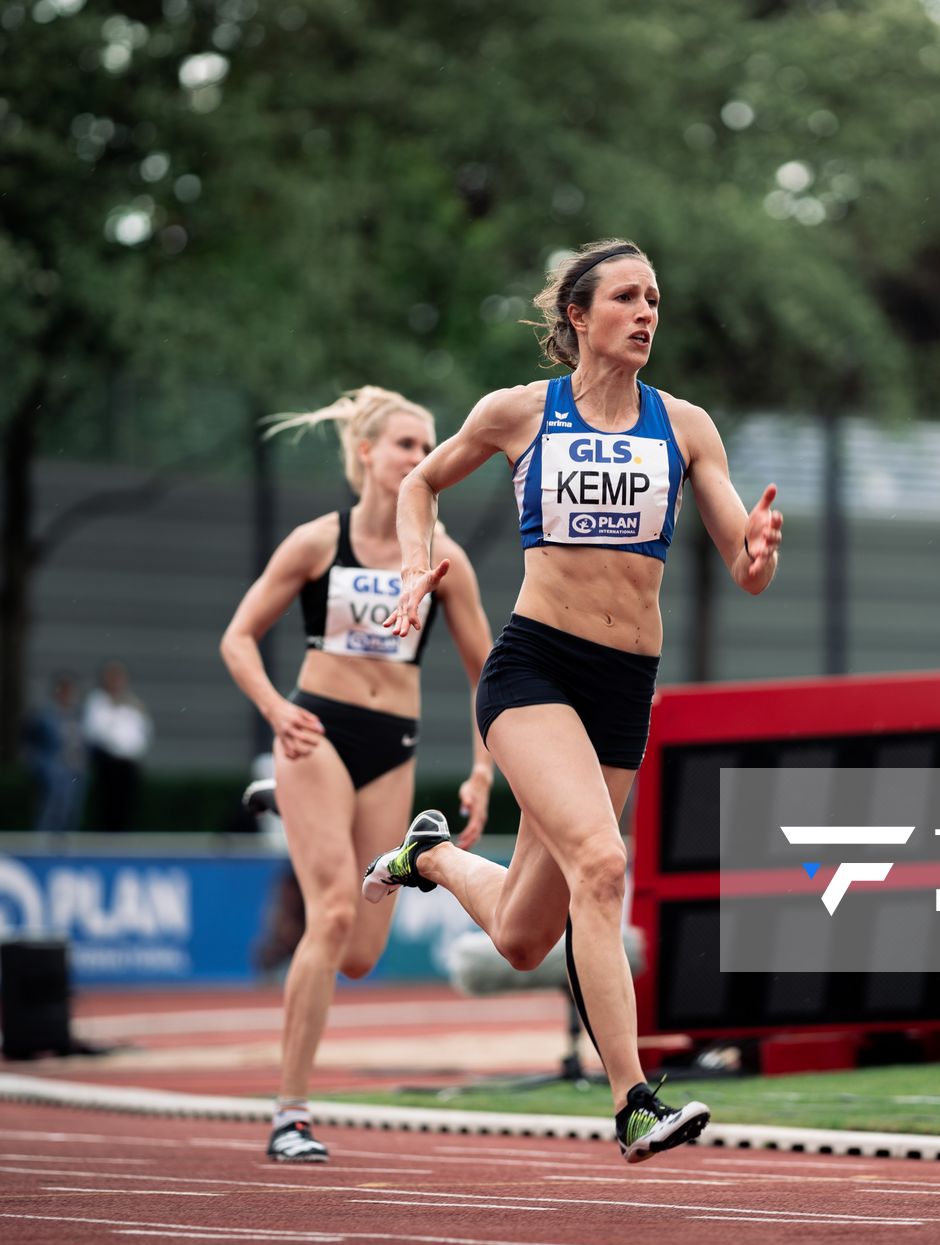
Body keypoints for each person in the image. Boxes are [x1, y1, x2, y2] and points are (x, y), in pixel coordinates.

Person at [362, 239, 783, 1164]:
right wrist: (411, 563)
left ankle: (428, 857)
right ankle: (634, 1100)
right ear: (578, 317)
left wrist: (756, 554)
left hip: (624, 687)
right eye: (627, 298)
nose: (646, 313)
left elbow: (740, 565)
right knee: (601, 863)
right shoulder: (518, 413)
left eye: (655, 299)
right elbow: (422, 481)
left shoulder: (686, 427)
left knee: (522, 934)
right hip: (535, 671)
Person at [219, 387, 497, 1163]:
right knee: (332, 913)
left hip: (392, 746)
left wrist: (481, 771)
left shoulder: (445, 560)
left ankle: (301, 805)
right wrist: (277, 712)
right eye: (407, 445)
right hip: (317, 734)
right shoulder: (318, 541)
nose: (421, 458)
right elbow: (238, 638)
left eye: (428, 445)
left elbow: (489, 675)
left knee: (362, 954)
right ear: (368, 455)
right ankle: (290, 1114)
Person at [84, 661, 151, 831]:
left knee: (127, 807)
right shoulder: (98, 701)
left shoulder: (132, 702)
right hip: (108, 762)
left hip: (129, 763)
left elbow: (142, 731)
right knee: (108, 807)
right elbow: (97, 731)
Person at [24, 674, 88, 834]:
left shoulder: (79, 716)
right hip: (53, 769)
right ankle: (43, 840)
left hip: (75, 770)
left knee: (71, 810)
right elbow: (31, 738)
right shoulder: (45, 716)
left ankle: (67, 843)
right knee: (51, 808)